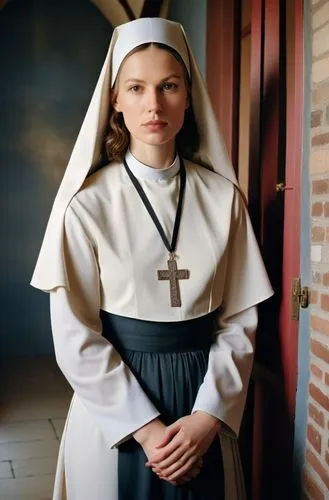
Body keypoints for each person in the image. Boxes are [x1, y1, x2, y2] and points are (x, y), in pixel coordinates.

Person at [31, 17, 273, 500]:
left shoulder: (223, 198)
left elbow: (239, 319)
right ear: (115, 100)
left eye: (169, 86)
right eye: (136, 88)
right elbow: (75, 335)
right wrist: (145, 430)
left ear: (189, 95)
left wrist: (207, 418)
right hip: (115, 414)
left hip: (203, 399)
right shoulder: (87, 205)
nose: (154, 105)